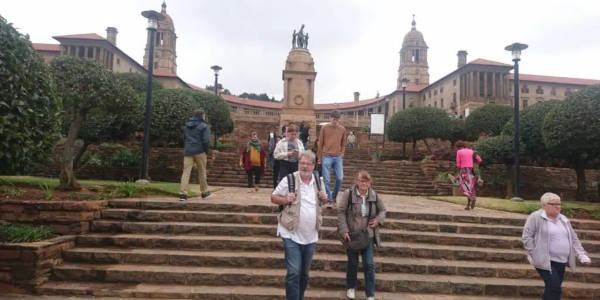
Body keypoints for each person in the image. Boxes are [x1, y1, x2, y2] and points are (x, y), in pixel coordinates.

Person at [271, 150, 327, 300]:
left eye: (308, 164)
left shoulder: (318, 180)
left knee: (304, 273)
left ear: (314, 166)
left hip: (311, 236)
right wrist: (285, 200)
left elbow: (323, 201)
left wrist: (324, 198)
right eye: (302, 163)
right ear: (298, 164)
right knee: (294, 271)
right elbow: (273, 197)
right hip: (290, 233)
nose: (305, 166)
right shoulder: (289, 179)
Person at [522, 192, 591, 300]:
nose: (558, 206)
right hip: (545, 260)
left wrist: (581, 254)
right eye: (554, 204)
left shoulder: (563, 219)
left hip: (561, 261)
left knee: (553, 288)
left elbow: (573, 238)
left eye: (559, 204)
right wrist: (534, 253)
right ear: (544, 205)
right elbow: (527, 236)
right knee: (554, 287)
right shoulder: (535, 217)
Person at [337, 170, 386, 300]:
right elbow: (341, 212)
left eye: (366, 181)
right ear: (357, 181)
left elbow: (383, 210)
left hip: (368, 235)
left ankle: (370, 294)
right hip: (352, 235)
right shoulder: (348, 194)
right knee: (352, 263)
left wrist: (378, 220)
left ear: (370, 183)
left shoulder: (374, 195)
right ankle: (351, 287)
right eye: (361, 181)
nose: (363, 183)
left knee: (369, 264)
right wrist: (344, 229)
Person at [179, 109, 211, 201]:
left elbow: (184, 138)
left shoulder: (187, 126)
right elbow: (206, 141)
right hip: (200, 151)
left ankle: (183, 194)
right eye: (204, 115)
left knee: (186, 172)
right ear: (202, 116)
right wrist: (206, 151)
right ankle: (204, 192)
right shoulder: (204, 126)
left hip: (188, 151)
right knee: (202, 172)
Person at [317, 110, 347, 205]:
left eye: (337, 120)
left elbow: (343, 143)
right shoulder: (324, 128)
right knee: (327, 179)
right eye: (334, 119)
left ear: (339, 120)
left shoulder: (342, 129)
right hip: (326, 156)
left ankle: (333, 196)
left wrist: (342, 153)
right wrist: (319, 157)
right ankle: (329, 199)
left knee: (340, 178)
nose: (335, 121)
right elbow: (320, 143)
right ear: (330, 118)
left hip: (338, 157)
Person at [455, 141, 482, 210]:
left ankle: (471, 198)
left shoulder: (459, 152)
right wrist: (473, 162)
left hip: (464, 171)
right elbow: (479, 160)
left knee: (464, 187)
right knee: (471, 188)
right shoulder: (472, 151)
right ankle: (468, 205)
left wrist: (458, 173)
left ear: (458, 147)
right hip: (472, 172)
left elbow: (458, 164)